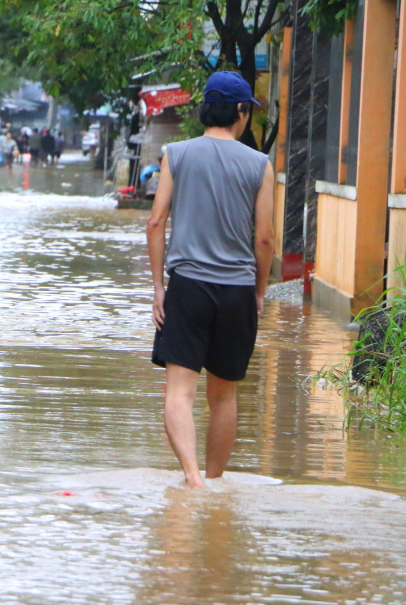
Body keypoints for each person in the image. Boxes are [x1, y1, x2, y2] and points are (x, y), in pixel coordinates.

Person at [145, 71, 275, 489]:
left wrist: (159, 289)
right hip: (237, 290)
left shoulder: (175, 154)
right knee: (224, 396)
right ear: (240, 111)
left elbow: (155, 222)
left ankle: (192, 479)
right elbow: (266, 238)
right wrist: (259, 292)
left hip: (188, 287)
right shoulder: (260, 164)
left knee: (178, 392)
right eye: (248, 112)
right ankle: (216, 482)